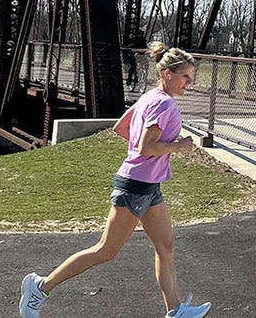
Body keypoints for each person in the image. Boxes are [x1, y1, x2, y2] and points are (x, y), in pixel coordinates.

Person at [19, 42, 211, 318]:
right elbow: (146, 146)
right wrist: (177, 147)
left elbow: (122, 127)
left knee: (165, 245)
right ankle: (40, 287)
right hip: (135, 187)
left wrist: (144, 156)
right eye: (185, 77)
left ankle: (175, 310)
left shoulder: (149, 97)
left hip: (147, 185)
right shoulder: (165, 104)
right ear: (167, 74)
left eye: (191, 78)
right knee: (105, 250)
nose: (189, 84)